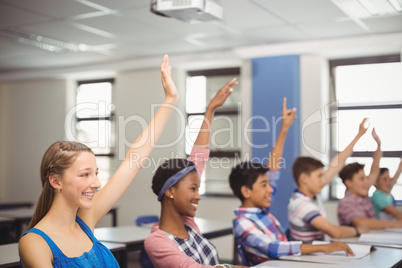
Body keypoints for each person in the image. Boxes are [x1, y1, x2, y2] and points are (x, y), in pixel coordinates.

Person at [19, 54, 178, 267]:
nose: (96, 183)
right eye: (85, 174)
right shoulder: (34, 243)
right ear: (56, 181)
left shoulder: (85, 219)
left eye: (95, 173)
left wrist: (170, 100)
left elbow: (135, 158)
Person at [229, 99, 354, 267]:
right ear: (246, 191)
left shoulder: (261, 211)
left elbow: (273, 169)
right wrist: (325, 247)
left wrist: (284, 129)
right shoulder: (242, 223)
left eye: (268, 184)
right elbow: (272, 248)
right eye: (264, 185)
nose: (270, 189)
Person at [144, 78, 246, 268]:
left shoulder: (188, 225)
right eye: (193, 188)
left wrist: (210, 110)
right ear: (170, 191)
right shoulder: (157, 242)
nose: (198, 196)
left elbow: (198, 160)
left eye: (198, 189)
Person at [287, 118, 370, 243]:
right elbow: (335, 232)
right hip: (307, 260)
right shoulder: (300, 204)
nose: (324, 179)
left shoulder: (311, 194)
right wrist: (359, 230)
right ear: (304, 178)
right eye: (319, 176)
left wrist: (359, 135)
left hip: (317, 254)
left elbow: (338, 162)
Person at [337, 129, 402, 229]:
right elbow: (361, 223)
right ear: (348, 183)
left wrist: (379, 145)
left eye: (366, 178)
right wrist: (396, 224)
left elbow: (375, 171)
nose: (367, 182)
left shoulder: (363, 195)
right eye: (362, 179)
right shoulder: (347, 202)